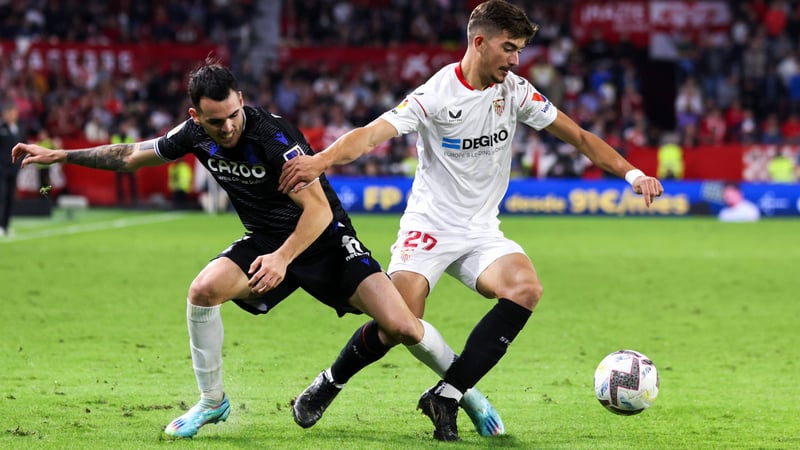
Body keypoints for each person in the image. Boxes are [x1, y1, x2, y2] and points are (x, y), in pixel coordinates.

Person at [279, 0, 664, 441]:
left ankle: (447, 394)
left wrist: (632, 174)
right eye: (509, 48)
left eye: (519, 51)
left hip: (480, 230)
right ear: (479, 42)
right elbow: (370, 136)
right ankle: (330, 382)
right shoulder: (436, 95)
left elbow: (578, 136)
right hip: (429, 226)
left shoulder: (515, 91)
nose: (515, 60)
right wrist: (321, 160)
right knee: (399, 322)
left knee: (525, 289)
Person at [11, 60, 457, 440]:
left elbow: (319, 211)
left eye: (232, 115)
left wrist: (283, 258)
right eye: (214, 121)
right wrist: (64, 155)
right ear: (195, 116)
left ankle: (465, 393)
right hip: (265, 240)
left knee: (402, 325)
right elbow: (131, 155)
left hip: (325, 241)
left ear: (241, 100)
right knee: (202, 290)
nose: (226, 127)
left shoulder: (273, 138)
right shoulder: (193, 134)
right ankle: (212, 401)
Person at [0, 100, 23, 237]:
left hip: (13, 170)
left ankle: (5, 226)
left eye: (13, 112)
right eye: (8, 112)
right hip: (1, 170)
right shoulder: (1, 128)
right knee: (1, 196)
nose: (11, 115)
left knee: (10, 197)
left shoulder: (19, 129)